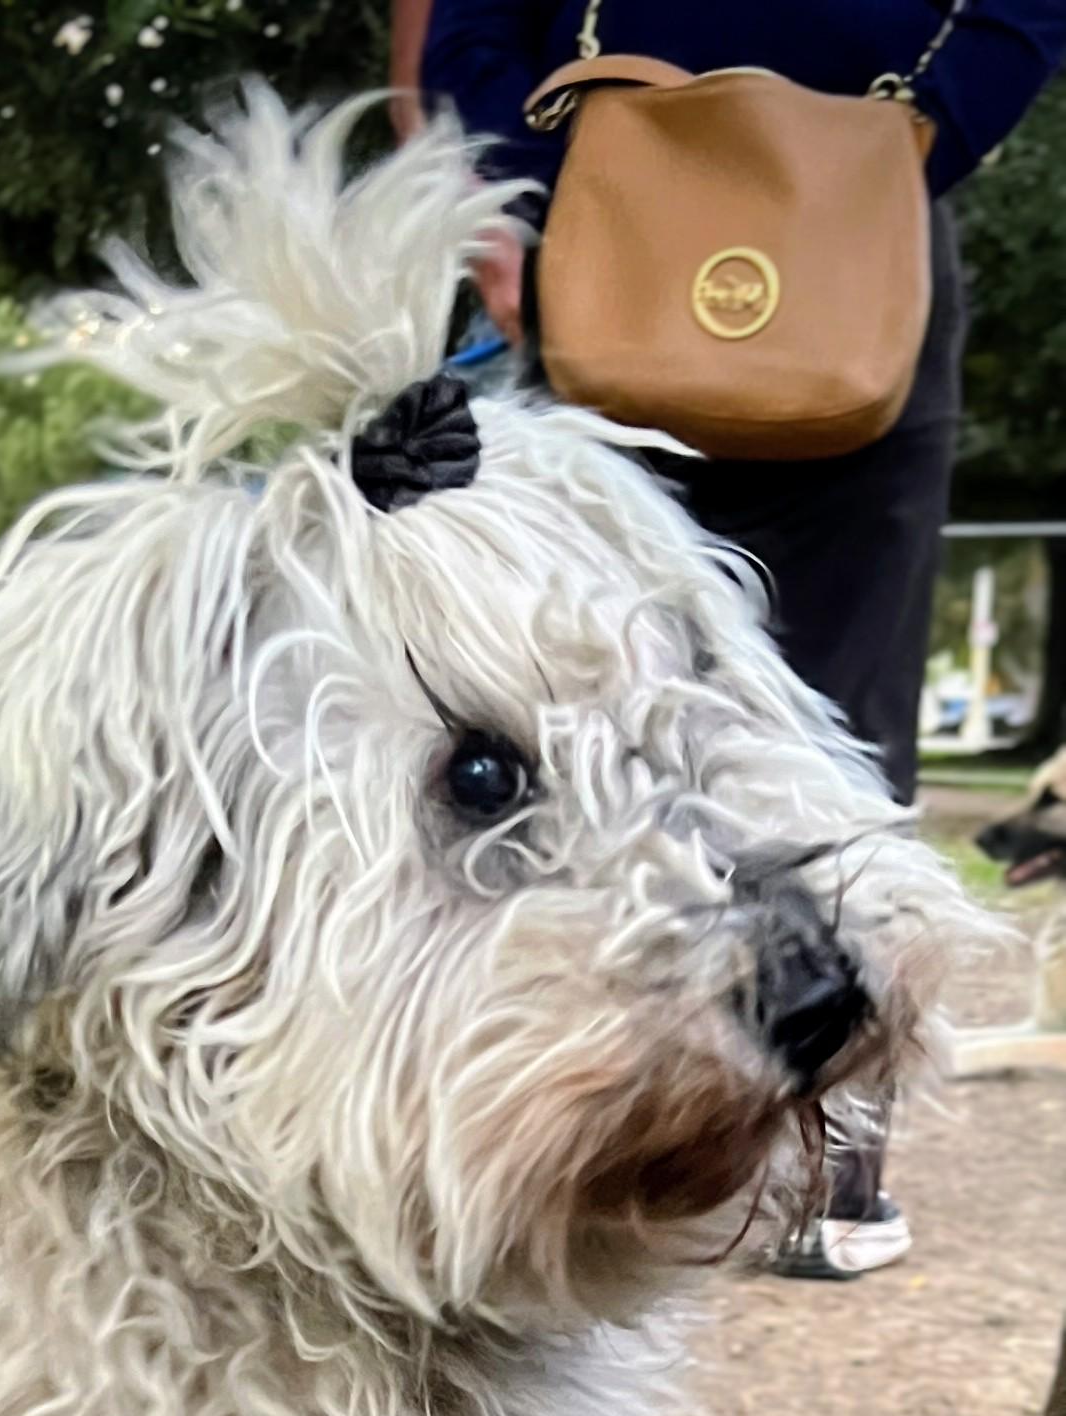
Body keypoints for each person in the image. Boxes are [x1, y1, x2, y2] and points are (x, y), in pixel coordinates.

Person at [405, 2, 1066, 1277]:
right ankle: (569, 1133)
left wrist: (912, 141)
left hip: (838, 239)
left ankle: (820, 1154)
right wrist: (520, 194)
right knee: (560, 710)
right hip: (606, 237)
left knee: (812, 725)